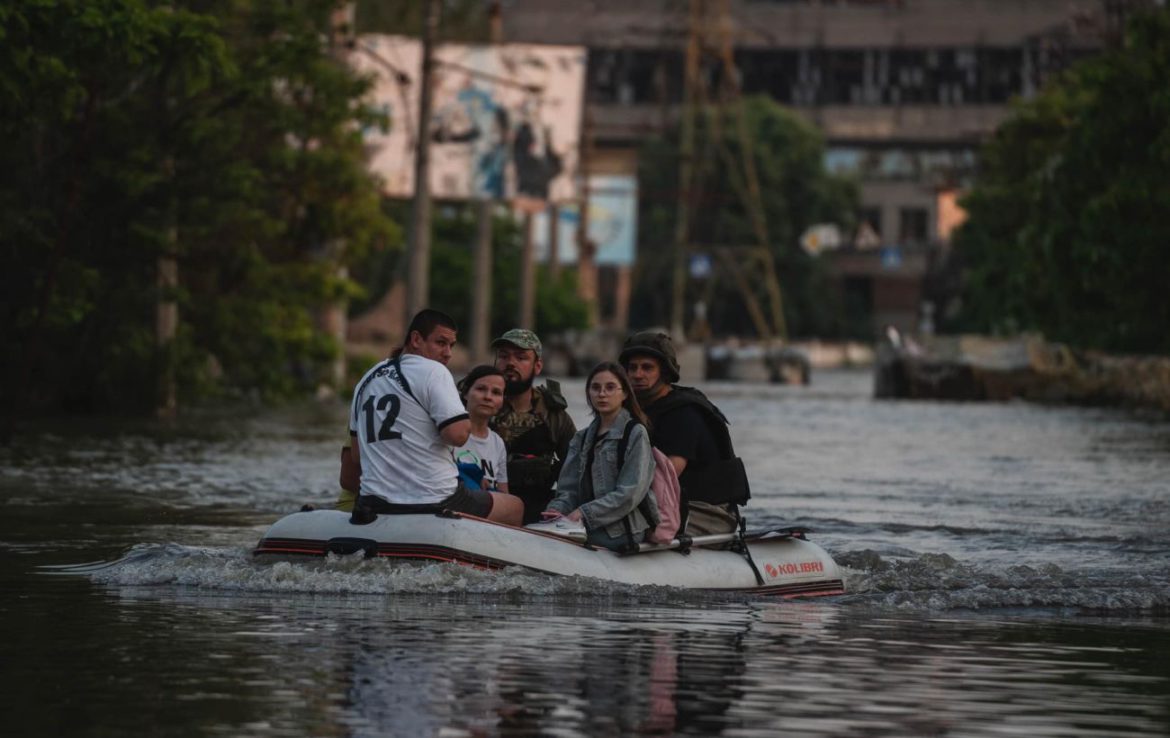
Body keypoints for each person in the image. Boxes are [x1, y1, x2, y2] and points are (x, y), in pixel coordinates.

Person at [348, 309, 523, 526]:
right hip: (435, 499)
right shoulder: (433, 371)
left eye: (451, 345)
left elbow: (357, 455)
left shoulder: (366, 379)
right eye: (441, 343)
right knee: (515, 506)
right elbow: (457, 436)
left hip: (372, 502)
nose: (448, 353)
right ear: (416, 340)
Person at [620, 330, 749, 535]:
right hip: (659, 504)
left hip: (707, 512)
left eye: (647, 368)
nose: (637, 374)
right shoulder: (629, 412)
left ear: (664, 372)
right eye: (632, 368)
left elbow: (668, 475)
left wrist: (613, 501)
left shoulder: (684, 413)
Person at [541, 362, 658, 552]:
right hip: (585, 524)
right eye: (595, 388)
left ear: (625, 394)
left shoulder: (635, 433)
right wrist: (557, 510)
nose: (602, 394)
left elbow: (629, 493)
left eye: (610, 387)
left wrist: (583, 514)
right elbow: (568, 489)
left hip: (621, 530)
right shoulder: (581, 438)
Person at [490, 329, 577, 524]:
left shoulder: (555, 417)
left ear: (537, 366)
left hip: (538, 507)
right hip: (486, 502)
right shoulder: (480, 405)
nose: (510, 363)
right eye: (504, 356)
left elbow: (576, 467)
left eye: (521, 357)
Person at [453, 365, 510, 495]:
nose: (488, 397)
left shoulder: (498, 443)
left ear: (501, 402)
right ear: (466, 393)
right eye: (481, 389)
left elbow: (504, 493)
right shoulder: (449, 433)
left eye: (496, 392)